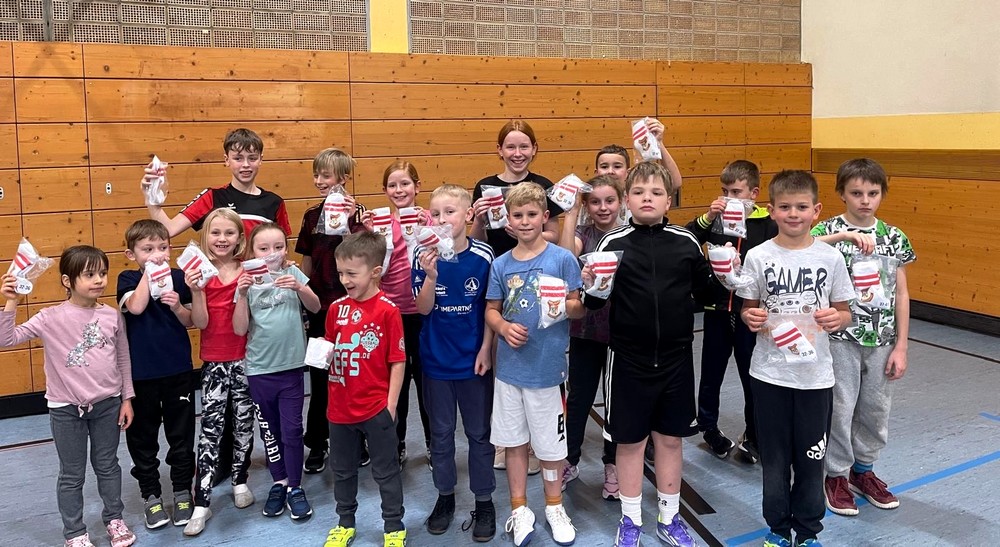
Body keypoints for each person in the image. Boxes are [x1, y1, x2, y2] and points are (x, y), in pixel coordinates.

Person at [582, 161, 709, 547]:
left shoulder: (686, 241)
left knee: (670, 440)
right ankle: (631, 519)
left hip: (676, 359)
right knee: (631, 442)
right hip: (628, 360)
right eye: (639, 192)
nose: (647, 198)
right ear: (627, 200)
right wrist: (592, 287)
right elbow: (593, 303)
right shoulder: (612, 243)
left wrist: (726, 275)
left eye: (656, 193)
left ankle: (669, 519)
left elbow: (707, 294)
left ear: (668, 200)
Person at [737, 170, 854, 547]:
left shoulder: (830, 257)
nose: (793, 214)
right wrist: (749, 317)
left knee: (810, 459)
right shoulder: (758, 256)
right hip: (769, 376)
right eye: (785, 207)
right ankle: (776, 529)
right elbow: (748, 307)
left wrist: (837, 319)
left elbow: (845, 312)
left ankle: (807, 532)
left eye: (801, 207)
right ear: (771, 210)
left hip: (815, 379)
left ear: (816, 210)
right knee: (774, 460)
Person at [1, 246, 137, 547]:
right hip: (65, 410)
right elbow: (6, 339)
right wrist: (11, 301)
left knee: (108, 466)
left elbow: (123, 358)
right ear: (67, 280)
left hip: (108, 405)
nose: (99, 280)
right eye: (89, 274)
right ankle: (75, 532)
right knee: (72, 474)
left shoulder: (112, 316)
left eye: (102, 273)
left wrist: (127, 398)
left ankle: (114, 519)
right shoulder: (49, 317)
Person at [810, 159, 915, 517]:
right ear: (841, 193)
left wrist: (901, 345)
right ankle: (836, 475)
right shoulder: (828, 230)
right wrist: (842, 237)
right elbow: (803, 244)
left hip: (882, 340)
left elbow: (901, 293)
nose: (865, 200)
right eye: (856, 193)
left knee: (875, 408)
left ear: (883, 193)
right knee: (841, 408)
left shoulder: (894, 237)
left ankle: (863, 470)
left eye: (873, 193)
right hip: (839, 339)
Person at [485, 182, 585, 547]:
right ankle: (519, 508)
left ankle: (554, 506)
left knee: (551, 447)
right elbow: (491, 310)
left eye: (531, 214)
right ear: (508, 221)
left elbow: (578, 307)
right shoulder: (501, 264)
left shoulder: (562, 259)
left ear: (544, 217)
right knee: (514, 443)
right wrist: (503, 327)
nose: (525, 221)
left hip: (547, 371)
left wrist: (563, 307)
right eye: (518, 215)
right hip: (510, 371)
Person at [471, 119, 559, 474]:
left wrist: (525, 233)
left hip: (537, 276)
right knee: (502, 360)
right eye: (511, 146)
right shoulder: (485, 186)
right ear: (500, 150)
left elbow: (554, 232)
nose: (518, 153)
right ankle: (507, 441)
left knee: (537, 356)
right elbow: (477, 239)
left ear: (534, 149)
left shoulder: (544, 186)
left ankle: (537, 443)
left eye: (524, 146)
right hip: (499, 276)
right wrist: (480, 219)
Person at [412, 184, 497, 541]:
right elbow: (422, 308)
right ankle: (445, 496)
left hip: (473, 363)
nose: (442, 219)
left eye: (450, 212)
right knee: (442, 435)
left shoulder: (484, 255)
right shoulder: (423, 254)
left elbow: (492, 307)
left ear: (468, 215)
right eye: (436, 213)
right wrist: (431, 277)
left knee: (479, 434)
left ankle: (484, 500)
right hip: (436, 363)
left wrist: (486, 349)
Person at [685, 160, 777, 462]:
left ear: (754, 193)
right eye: (724, 191)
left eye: (736, 192)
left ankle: (755, 434)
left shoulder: (768, 225)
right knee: (711, 374)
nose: (729, 198)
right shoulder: (716, 220)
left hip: (751, 316)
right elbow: (687, 240)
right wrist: (708, 216)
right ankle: (709, 428)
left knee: (753, 377)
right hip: (716, 311)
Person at [322, 231, 407, 547]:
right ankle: (345, 522)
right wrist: (321, 352)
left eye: (351, 273)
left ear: (375, 272)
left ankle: (394, 526)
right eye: (340, 273)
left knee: (386, 471)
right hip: (339, 408)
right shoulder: (336, 309)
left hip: (375, 408)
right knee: (342, 470)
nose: (344, 280)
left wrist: (390, 406)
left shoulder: (388, 310)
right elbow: (330, 345)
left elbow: (398, 360)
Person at [233, 222, 322, 520]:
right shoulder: (246, 282)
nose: (271, 253)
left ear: (285, 249)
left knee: (292, 429)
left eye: (278, 247)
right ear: (251, 252)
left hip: (292, 367)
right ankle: (279, 481)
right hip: (259, 369)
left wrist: (299, 287)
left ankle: (295, 486)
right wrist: (242, 294)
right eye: (263, 248)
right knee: (270, 431)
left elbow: (316, 306)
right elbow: (239, 328)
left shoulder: (292, 273)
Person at [181, 208, 257, 536]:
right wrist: (197, 291)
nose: (222, 239)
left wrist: (244, 292)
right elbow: (200, 322)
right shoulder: (200, 273)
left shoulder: (246, 271)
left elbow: (244, 326)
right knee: (210, 431)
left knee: (243, 425)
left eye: (229, 233)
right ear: (205, 237)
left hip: (245, 361)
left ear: (239, 238)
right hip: (214, 362)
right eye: (216, 233)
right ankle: (202, 501)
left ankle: (240, 480)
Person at [117, 220, 196, 530]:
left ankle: (182, 492)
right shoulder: (128, 278)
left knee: (181, 436)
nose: (156, 254)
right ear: (132, 254)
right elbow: (136, 308)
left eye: (162, 247)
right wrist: (150, 273)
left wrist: (177, 306)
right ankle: (151, 495)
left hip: (178, 370)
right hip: (142, 375)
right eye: (147, 249)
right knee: (143, 438)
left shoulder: (178, 277)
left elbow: (190, 320)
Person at [297, 147, 368, 474]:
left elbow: (367, 256)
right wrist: (304, 299)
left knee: (355, 375)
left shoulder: (359, 213)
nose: (319, 180)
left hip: (354, 309)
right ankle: (317, 442)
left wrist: (353, 222)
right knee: (320, 375)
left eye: (325, 175)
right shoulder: (311, 216)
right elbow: (306, 261)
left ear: (343, 177)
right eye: (316, 175)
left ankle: (358, 439)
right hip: (321, 310)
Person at [557, 174, 624, 500]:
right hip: (584, 331)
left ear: (621, 201)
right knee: (579, 398)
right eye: (595, 201)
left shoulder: (629, 235)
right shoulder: (583, 233)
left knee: (615, 402)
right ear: (586, 204)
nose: (603, 207)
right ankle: (570, 460)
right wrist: (571, 213)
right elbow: (566, 258)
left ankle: (612, 463)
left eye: (609, 200)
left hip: (620, 334)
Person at [361, 160, 433, 466]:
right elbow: (376, 271)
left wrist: (428, 228)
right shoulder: (380, 224)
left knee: (427, 381)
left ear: (417, 187)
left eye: (405, 183)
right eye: (392, 185)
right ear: (384, 190)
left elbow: (442, 255)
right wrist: (371, 236)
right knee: (396, 384)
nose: (399, 190)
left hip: (426, 313)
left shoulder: (429, 218)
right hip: (392, 314)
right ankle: (396, 442)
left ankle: (434, 443)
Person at [144, 127, 291, 237]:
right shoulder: (212, 196)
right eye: (238, 158)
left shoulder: (274, 202)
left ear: (260, 160)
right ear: (227, 160)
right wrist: (150, 196)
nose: (246, 165)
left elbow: (281, 247)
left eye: (252, 158)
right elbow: (169, 230)